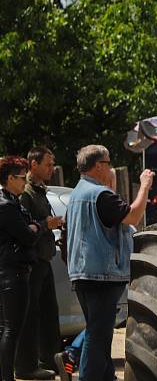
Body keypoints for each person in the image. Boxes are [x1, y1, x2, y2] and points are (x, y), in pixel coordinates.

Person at [66, 145, 154, 381]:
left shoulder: (76, 194)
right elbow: (133, 216)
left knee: (100, 332)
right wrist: (144, 186)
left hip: (82, 273)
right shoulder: (100, 194)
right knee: (98, 333)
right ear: (97, 165)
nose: (110, 166)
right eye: (107, 162)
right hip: (101, 275)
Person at [17, 147, 64, 380]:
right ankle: (27, 366)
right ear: (33, 165)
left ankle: (50, 360)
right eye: (47, 164)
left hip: (44, 259)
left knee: (49, 314)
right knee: (31, 315)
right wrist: (47, 224)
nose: (51, 168)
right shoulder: (25, 192)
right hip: (32, 261)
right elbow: (24, 229)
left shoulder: (39, 191)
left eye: (52, 163)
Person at [0, 156, 45, 381]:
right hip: (12, 274)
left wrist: (33, 226)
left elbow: (28, 230)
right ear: (9, 178)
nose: (24, 182)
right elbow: (28, 237)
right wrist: (37, 226)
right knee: (11, 329)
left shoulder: (12, 200)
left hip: (13, 272)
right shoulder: (6, 205)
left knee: (8, 329)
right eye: (20, 177)